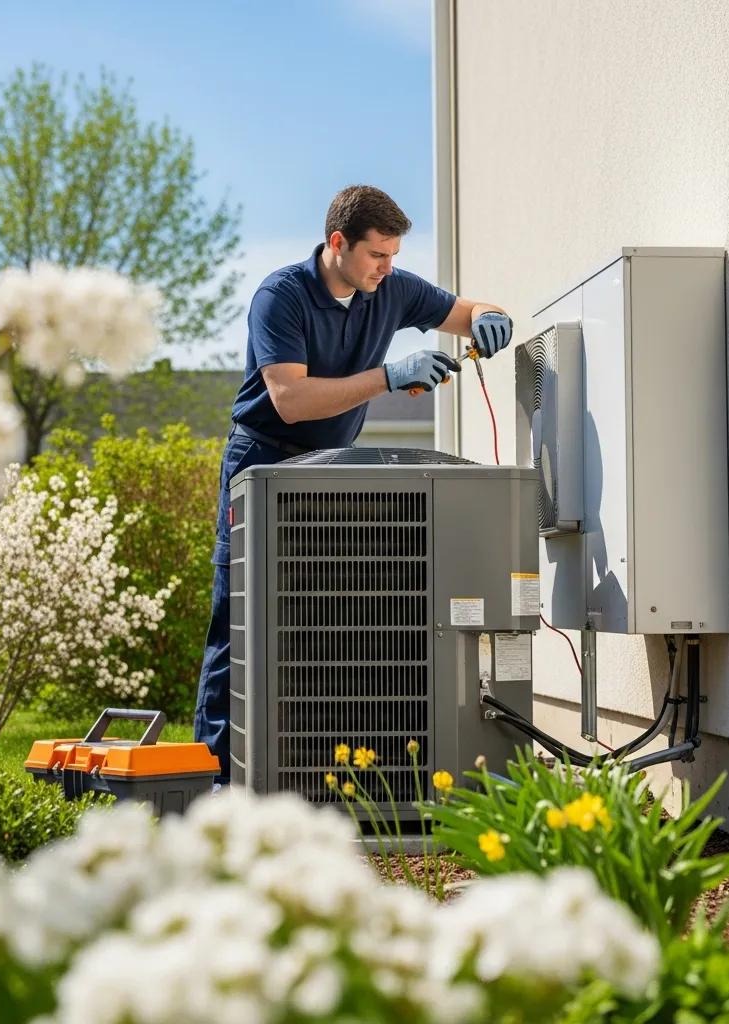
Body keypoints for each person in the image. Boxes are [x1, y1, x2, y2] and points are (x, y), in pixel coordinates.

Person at [194, 184, 514, 787]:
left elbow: (465, 311)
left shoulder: (392, 289)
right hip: (261, 463)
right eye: (377, 256)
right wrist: (389, 375)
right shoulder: (280, 298)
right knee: (238, 619)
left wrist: (489, 316)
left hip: (330, 466)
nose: (388, 269)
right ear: (338, 243)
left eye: (393, 256)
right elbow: (290, 400)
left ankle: (310, 775)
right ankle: (213, 784)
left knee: (321, 616)